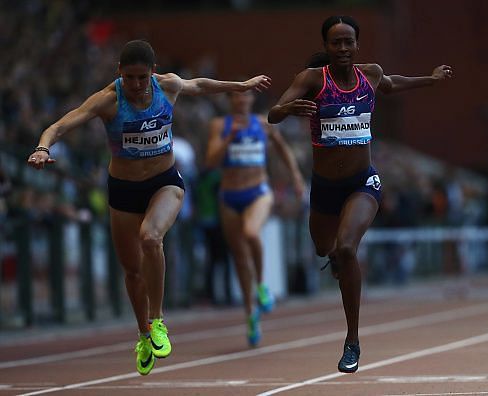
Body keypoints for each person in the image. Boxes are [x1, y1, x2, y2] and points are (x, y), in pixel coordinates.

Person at [26, 39, 271, 375]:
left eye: (143, 78)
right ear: (119, 74)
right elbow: (60, 125)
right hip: (124, 190)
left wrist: (239, 85)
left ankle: (158, 322)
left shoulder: (166, 85)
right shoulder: (108, 100)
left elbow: (199, 84)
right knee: (132, 272)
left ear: (153, 73)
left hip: (164, 182)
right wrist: (42, 147)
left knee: (151, 239)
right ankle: (143, 334)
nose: (137, 86)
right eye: (130, 78)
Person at [268, 15, 453, 373]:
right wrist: (288, 109)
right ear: (326, 46)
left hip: (362, 182)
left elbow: (392, 83)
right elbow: (274, 114)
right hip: (324, 187)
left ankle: (352, 340)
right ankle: (336, 258)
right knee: (324, 248)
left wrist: (429, 80)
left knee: (347, 246)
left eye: (348, 41)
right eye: (335, 42)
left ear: (357, 45)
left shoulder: (370, 74)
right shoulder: (311, 79)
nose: (342, 48)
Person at [205, 88, 305, 346]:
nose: (241, 99)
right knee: (239, 258)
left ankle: (261, 287)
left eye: (246, 95)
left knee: (251, 233)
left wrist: (295, 176)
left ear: (251, 100)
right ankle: (251, 314)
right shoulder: (220, 125)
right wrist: (230, 139)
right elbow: (209, 161)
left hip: (258, 191)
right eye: (236, 95)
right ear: (230, 99)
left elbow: (283, 149)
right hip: (229, 196)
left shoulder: (263, 123)